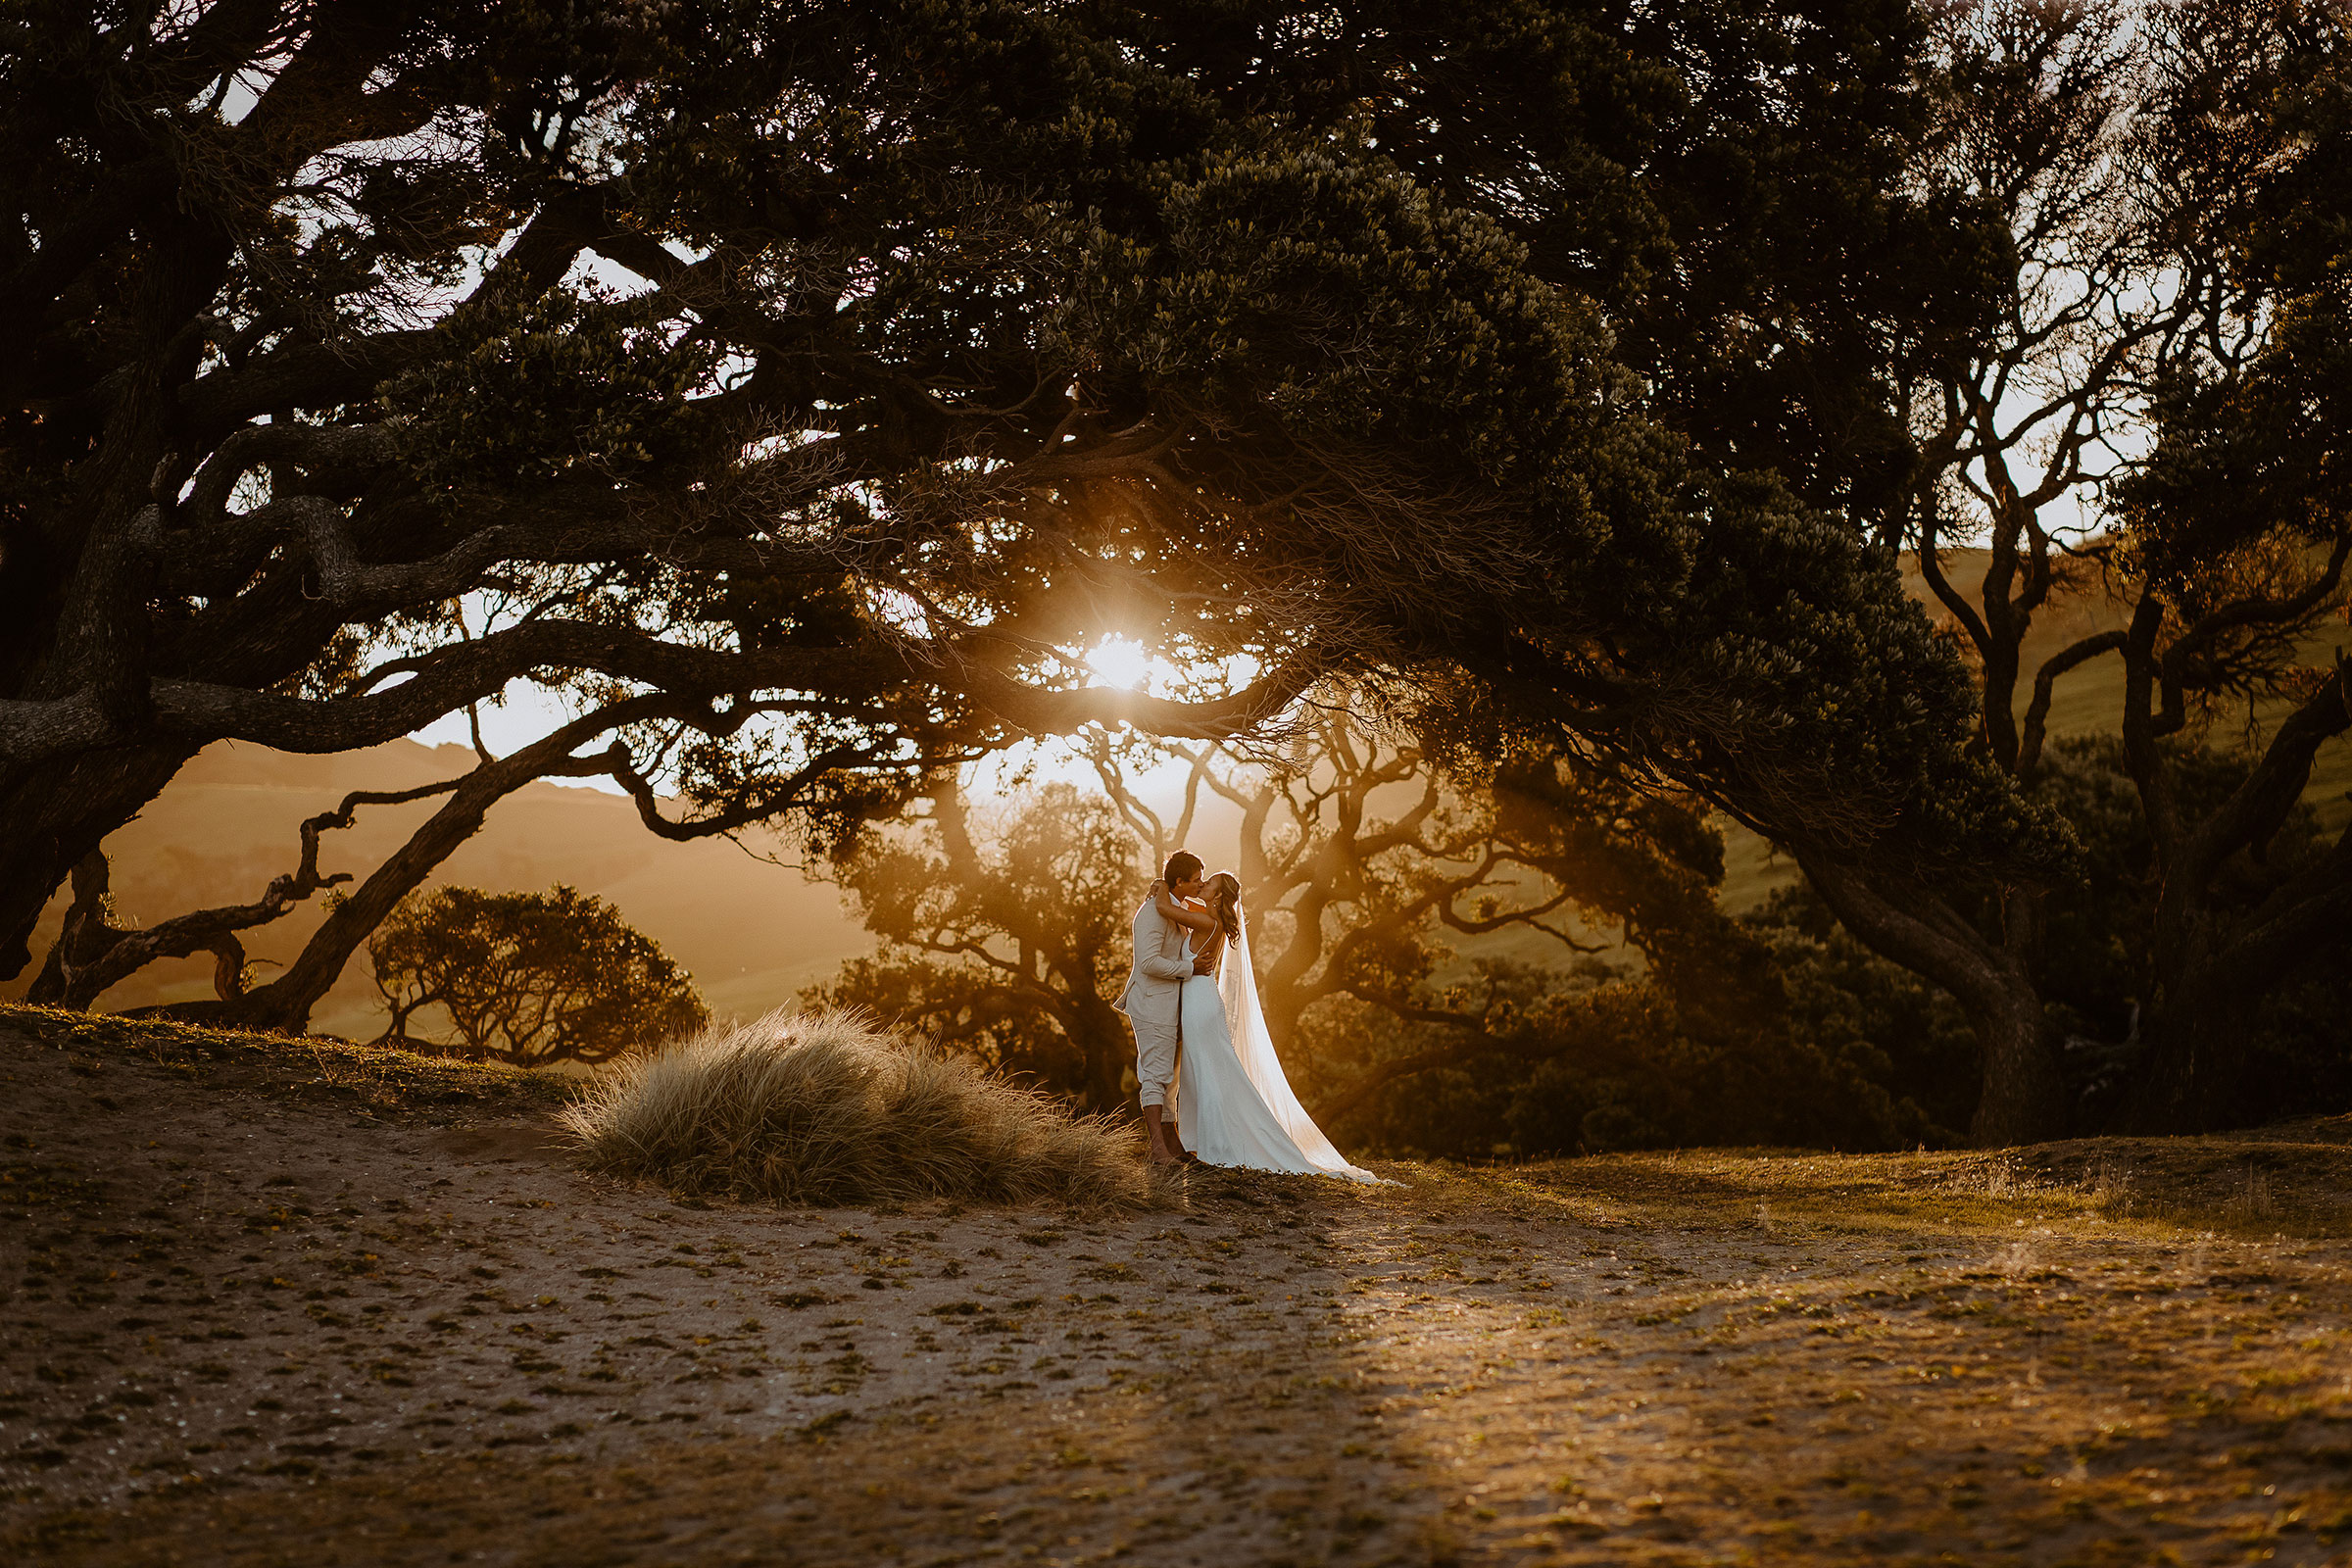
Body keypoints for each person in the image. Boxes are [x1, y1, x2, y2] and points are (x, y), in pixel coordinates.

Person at [1144, 871, 1384, 1183]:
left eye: (1209, 884)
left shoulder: (1207, 920)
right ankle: (1205, 1139)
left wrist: (1162, 885)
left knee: (1203, 1072)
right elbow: (1182, 904)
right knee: (1203, 1071)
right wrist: (1182, 893)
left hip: (1198, 1005)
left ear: (1218, 896)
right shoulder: (1210, 916)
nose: (1202, 886)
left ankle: (1217, 1142)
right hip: (1198, 999)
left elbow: (1164, 908)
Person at [1114, 851, 1214, 1165]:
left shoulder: (1174, 906)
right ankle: (1158, 1149)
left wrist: (1161, 886)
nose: (1200, 884)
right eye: (1195, 880)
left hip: (1173, 1006)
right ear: (1180, 881)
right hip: (1152, 1004)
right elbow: (1147, 962)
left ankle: (1175, 1147)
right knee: (1154, 1075)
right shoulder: (1152, 914)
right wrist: (1190, 967)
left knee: (1170, 1080)